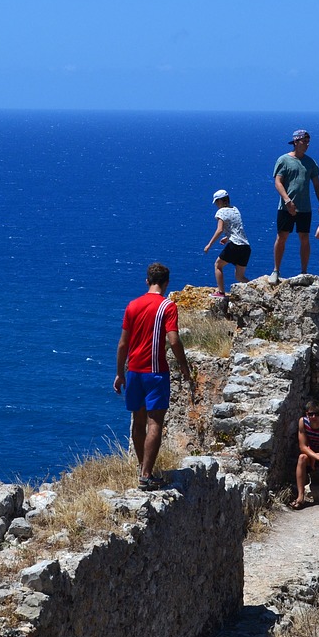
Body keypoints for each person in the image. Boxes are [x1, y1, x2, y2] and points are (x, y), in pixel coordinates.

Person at [113, 263, 197, 490]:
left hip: (134, 371)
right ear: (167, 282)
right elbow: (174, 340)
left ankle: (143, 468)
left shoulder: (132, 305)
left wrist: (120, 373)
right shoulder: (167, 306)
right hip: (155, 371)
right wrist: (184, 367)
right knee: (155, 422)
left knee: (137, 421)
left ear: (147, 281)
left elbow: (123, 343)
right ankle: (147, 474)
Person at [270, 129, 319, 282]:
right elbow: (278, 182)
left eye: (308, 142)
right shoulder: (283, 160)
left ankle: (304, 271)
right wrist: (287, 200)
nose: (307, 144)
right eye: (304, 141)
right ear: (296, 142)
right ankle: (276, 270)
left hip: (304, 207)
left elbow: (316, 184)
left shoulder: (310, 163)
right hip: (285, 207)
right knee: (282, 236)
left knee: (304, 237)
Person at [202, 189, 250, 297]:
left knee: (218, 265)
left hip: (235, 246)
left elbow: (219, 229)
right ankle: (255, 290)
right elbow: (236, 228)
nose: (216, 205)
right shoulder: (235, 209)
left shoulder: (221, 212)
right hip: (245, 247)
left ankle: (221, 292)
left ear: (219, 201)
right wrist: (227, 238)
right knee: (240, 277)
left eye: (216, 202)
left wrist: (209, 244)